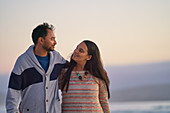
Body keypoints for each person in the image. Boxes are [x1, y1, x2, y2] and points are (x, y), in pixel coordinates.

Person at [6, 22, 66, 113]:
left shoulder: (57, 58)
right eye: (52, 39)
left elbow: (73, 69)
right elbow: (13, 92)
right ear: (41, 40)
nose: (55, 42)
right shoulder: (23, 61)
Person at [59, 40, 110, 113]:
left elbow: (104, 101)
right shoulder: (64, 73)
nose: (76, 51)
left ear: (89, 57)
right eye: (76, 48)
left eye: (81, 50)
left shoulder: (97, 74)